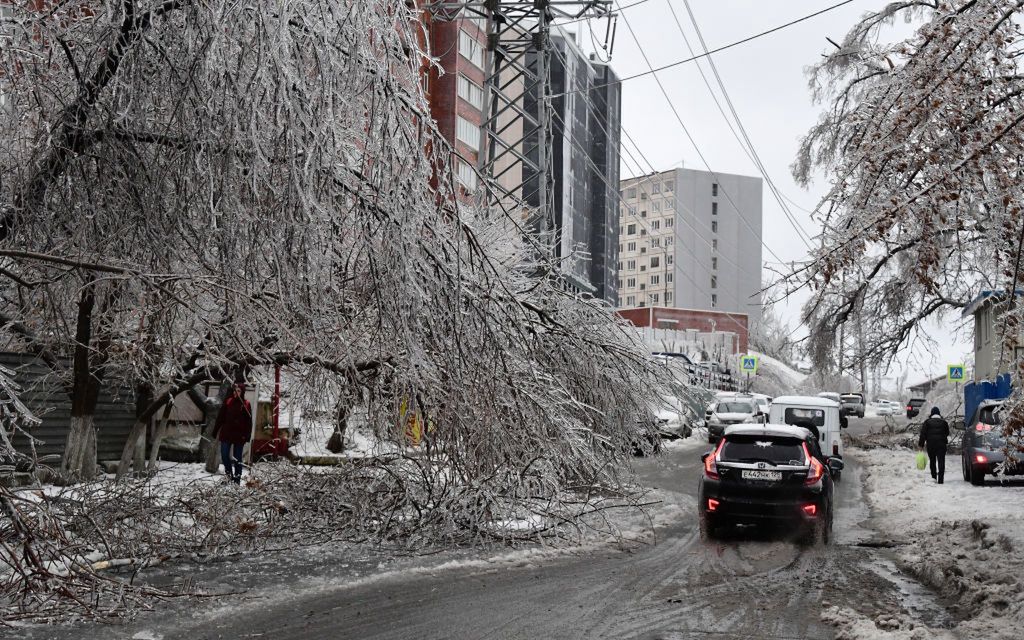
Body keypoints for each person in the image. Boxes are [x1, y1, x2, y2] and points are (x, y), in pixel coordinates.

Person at [215, 382, 252, 484]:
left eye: (239, 391)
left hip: (239, 436)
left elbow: (249, 422)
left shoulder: (246, 404)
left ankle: (237, 480)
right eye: (235, 390)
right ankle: (229, 476)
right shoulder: (228, 401)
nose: (236, 392)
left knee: (237, 459)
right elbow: (221, 417)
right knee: (224, 455)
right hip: (226, 434)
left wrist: (247, 436)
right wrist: (215, 431)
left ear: (242, 392)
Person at [918, 406, 950, 484]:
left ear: (931, 414)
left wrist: (921, 445)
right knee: (941, 461)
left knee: (932, 461)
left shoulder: (927, 422)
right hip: (941, 445)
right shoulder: (944, 422)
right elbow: (947, 433)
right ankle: (941, 480)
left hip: (931, 445)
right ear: (939, 414)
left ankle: (934, 478)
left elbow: (923, 434)